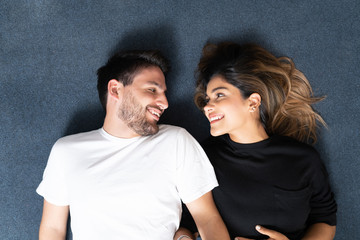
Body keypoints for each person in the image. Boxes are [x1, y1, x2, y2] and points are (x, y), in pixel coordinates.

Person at [36, 49, 230, 240]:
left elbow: (207, 219)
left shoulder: (176, 141)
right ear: (115, 89)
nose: (164, 102)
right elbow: (52, 228)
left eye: (164, 93)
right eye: (152, 90)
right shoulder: (66, 152)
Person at [179, 42, 337, 240]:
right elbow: (185, 223)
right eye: (207, 99)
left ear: (253, 102)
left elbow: (325, 220)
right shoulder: (202, 157)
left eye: (219, 95)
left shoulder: (303, 159)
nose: (207, 107)